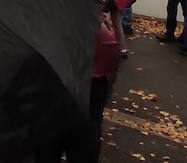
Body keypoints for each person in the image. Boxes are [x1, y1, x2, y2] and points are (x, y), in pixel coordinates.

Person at [36, 8, 122, 163]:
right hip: (90, 94)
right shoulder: (100, 32)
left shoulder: (45, 24)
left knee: (47, 148)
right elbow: (111, 65)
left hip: (54, 93)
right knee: (84, 148)